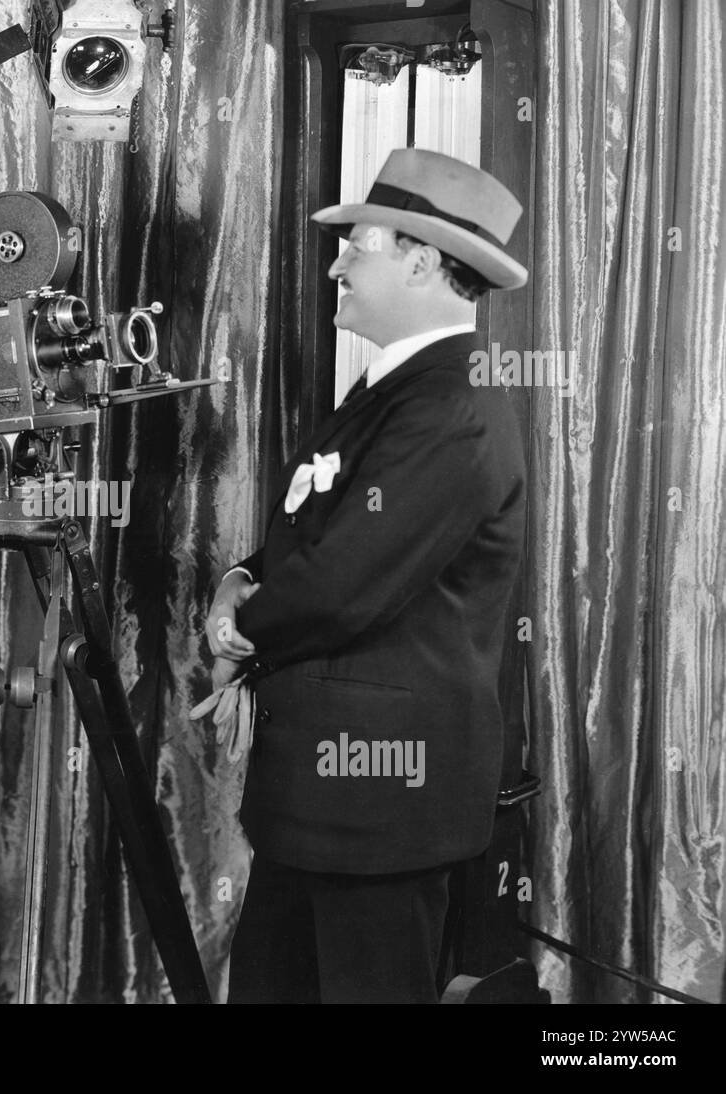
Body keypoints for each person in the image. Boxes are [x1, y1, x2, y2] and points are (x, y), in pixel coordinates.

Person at [206, 149, 529, 1003]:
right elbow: (317, 535)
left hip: (381, 810)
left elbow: (346, 582)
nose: (338, 261)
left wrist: (240, 627)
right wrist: (240, 577)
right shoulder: (392, 391)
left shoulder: (451, 405)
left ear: (422, 261)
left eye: (360, 245)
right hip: (323, 807)